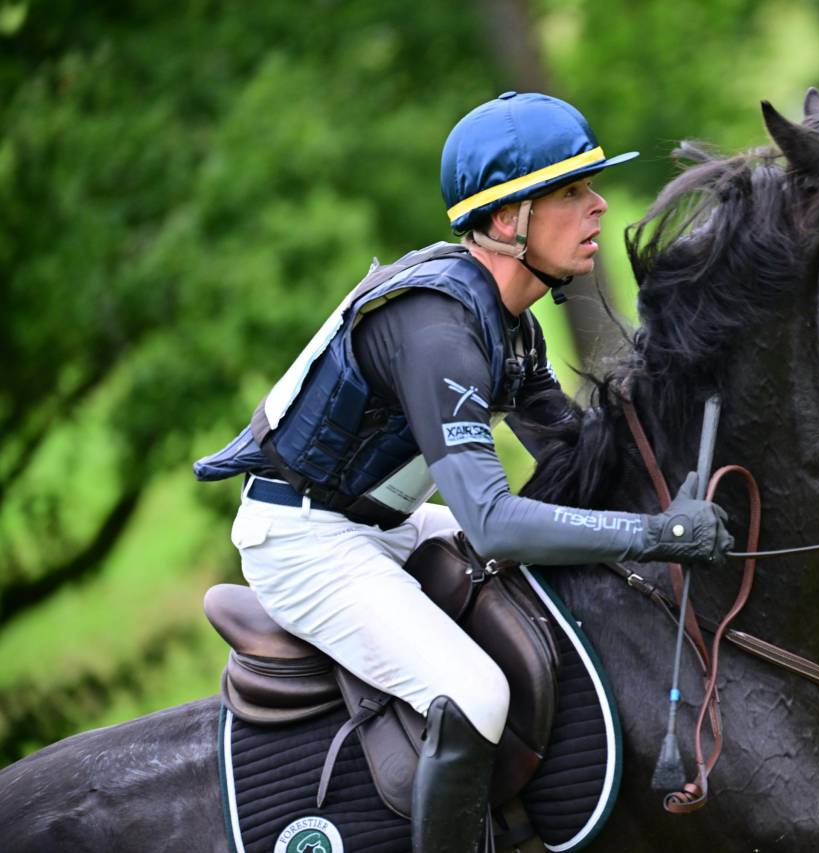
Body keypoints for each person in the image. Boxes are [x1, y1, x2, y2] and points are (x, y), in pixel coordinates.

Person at [192, 91, 733, 853]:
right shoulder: (438, 326)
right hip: (307, 543)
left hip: (386, 522)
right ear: (509, 221)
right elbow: (493, 521)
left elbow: (576, 458)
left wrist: (677, 477)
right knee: (473, 694)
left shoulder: (512, 327)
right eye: (572, 192)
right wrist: (654, 533)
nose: (600, 205)